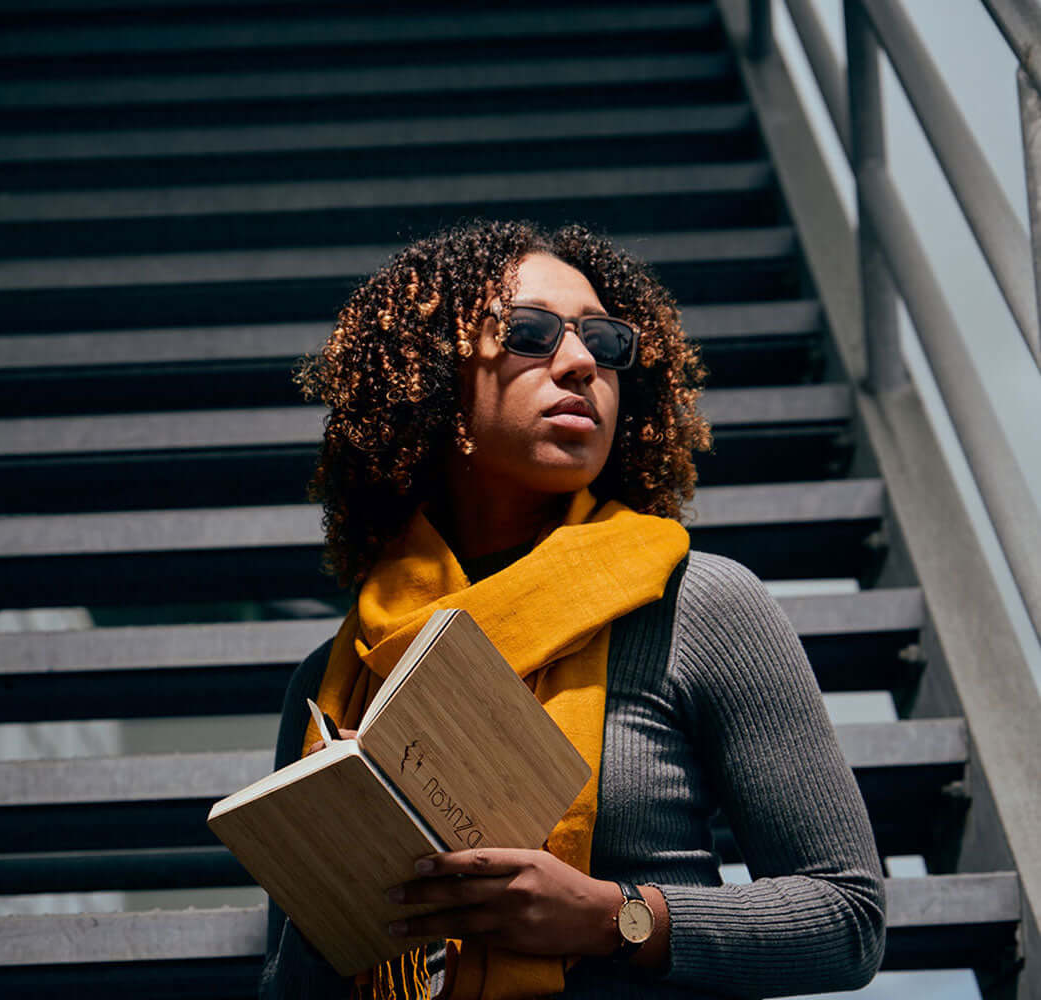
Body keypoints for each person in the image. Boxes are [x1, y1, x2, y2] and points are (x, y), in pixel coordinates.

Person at [260, 219, 886, 1000]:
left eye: (605, 342)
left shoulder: (695, 605)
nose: (583, 362)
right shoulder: (336, 679)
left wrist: (611, 916)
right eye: (530, 333)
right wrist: (345, 865)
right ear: (432, 381)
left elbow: (848, 917)